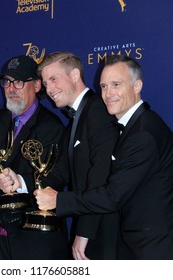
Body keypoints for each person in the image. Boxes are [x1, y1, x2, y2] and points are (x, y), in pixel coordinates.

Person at [35, 55, 173, 260]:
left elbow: (112, 196)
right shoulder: (138, 126)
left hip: (155, 252)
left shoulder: (143, 133)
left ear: (137, 86)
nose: (108, 93)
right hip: (141, 247)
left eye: (116, 85)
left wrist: (59, 199)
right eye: (103, 86)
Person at [0, 55, 69, 260]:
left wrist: (17, 184)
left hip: (33, 242)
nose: (11, 89)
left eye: (19, 82)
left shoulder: (52, 127)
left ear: (37, 85)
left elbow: (54, 179)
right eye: (7, 82)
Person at [36, 51, 119, 260]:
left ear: (75, 75)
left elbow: (101, 177)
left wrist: (84, 233)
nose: (49, 89)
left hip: (104, 230)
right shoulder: (77, 118)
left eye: (54, 79)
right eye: (46, 83)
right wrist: (18, 182)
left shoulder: (98, 110)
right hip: (92, 225)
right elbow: (61, 171)